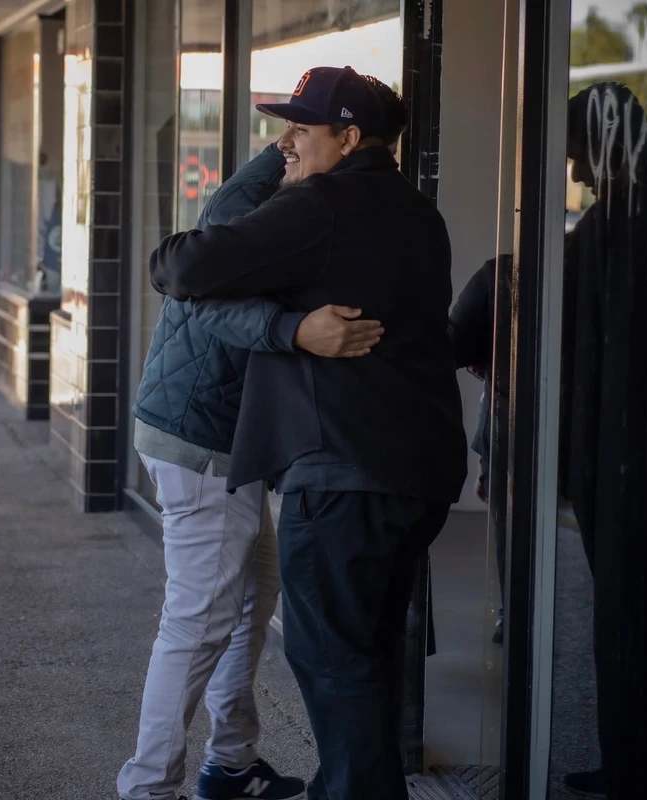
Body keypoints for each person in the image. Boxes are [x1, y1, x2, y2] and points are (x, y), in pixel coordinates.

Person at [150, 66, 467, 800]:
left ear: (349, 138)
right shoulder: (421, 212)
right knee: (370, 654)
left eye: (301, 128)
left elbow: (189, 264)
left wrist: (172, 254)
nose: (287, 141)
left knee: (333, 660)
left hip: (342, 473)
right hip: (416, 474)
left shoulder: (322, 205)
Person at [117, 136, 384, 800]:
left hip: (202, 438)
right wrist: (293, 330)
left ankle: (231, 763)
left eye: (302, 141)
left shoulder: (260, 194)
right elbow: (204, 304)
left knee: (250, 600)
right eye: (290, 145)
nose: (294, 153)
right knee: (198, 618)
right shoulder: (264, 216)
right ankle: (148, 788)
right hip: (200, 442)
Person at [558, 83, 647, 800]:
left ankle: (629, 769)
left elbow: (578, 360)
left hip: (616, 462)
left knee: (623, 616)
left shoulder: (603, 232)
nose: (573, 166)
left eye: (578, 149)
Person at [448, 253, 513, 643]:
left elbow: (453, 344)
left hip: (514, 422)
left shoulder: (502, 271)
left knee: (511, 520)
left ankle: (513, 610)